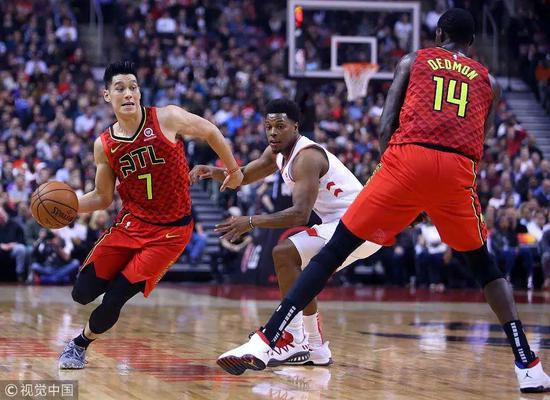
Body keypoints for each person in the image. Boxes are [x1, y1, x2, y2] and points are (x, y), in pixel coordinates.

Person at [216, 9, 550, 393]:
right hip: (457, 169)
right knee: (485, 268)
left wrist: (396, 181)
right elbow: (480, 138)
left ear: (438, 34)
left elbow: (387, 122)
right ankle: (528, 364)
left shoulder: (415, 60)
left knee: (332, 251)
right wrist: (438, 191)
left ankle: (267, 339)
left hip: (406, 161)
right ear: (472, 43)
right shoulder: (489, 81)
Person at [58, 61, 243, 369]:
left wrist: (233, 170)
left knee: (115, 298)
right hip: (131, 224)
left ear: (140, 92)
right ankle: (117, 279)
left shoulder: (166, 118)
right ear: (107, 95)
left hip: (171, 233)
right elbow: (103, 197)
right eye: (120, 88)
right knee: (82, 293)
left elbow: (210, 130)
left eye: (133, 87)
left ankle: (79, 344)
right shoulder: (104, 145)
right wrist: (68, 207)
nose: (128, 93)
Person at [191, 99, 381, 366]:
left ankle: (292, 338)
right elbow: (243, 176)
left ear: (295, 127)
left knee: (285, 254)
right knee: (296, 268)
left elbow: (300, 215)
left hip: (361, 225)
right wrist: (214, 172)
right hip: (343, 224)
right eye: (268, 126)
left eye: (280, 126)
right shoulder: (277, 153)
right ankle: (315, 347)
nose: (273, 132)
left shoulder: (307, 158)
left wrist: (251, 221)